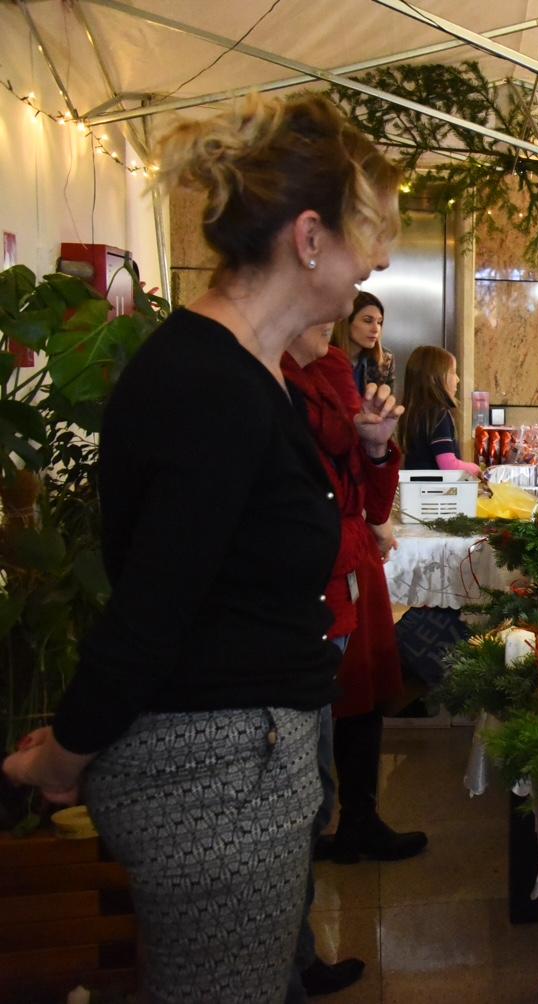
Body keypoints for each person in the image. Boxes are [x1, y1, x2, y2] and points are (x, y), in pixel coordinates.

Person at [2, 93, 401, 1002]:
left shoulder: (251, 369)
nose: (374, 263)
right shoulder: (208, 383)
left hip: (240, 763)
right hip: (213, 786)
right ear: (308, 239)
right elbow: (151, 610)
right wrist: (64, 756)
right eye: (363, 237)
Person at [279, 323, 405, 997]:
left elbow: (370, 502)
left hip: (333, 607)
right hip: (296, 617)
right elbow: (313, 527)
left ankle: (295, 959)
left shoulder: (332, 377)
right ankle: (289, 964)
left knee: (311, 793)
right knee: (299, 797)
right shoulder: (270, 383)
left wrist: (377, 450)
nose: (346, 314)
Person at [398, 346, 481, 475]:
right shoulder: (438, 414)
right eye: (453, 372)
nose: (458, 379)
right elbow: (448, 466)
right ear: (434, 378)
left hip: (415, 491)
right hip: (437, 492)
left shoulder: (413, 414)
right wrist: (475, 468)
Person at [332, 290, 396, 392]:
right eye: (367, 320)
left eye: (379, 322)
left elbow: (386, 403)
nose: (376, 329)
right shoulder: (323, 356)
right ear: (346, 322)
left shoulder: (385, 360)